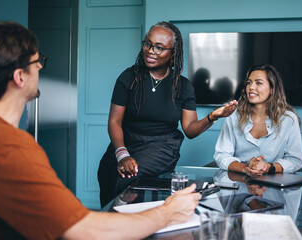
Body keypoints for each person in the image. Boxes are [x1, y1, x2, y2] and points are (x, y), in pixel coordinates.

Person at [0, 21, 202, 240]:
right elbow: (84, 230)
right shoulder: (11, 149)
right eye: (37, 61)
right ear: (20, 76)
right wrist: (168, 213)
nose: (41, 67)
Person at [98, 21, 238, 207]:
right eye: (147, 44)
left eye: (159, 48)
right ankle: (110, 228)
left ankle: (128, 228)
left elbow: (190, 129)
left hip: (161, 146)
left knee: (127, 178)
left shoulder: (183, 86)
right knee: (106, 172)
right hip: (127, 141)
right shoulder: (129, 78)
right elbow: (115, 121)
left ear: (173, 53)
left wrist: (213, 116)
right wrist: (122, 153)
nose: (150, 51)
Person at [214, 64, 302, 176]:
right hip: (239, 181)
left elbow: (295, 160)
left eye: (258, 83)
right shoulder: (233, 116)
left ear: (272, 89)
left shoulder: (288, 119)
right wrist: (246, 168)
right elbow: (222, 155)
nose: (251, 87)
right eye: (249, 82)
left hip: (274, 185)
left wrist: (267, 167)